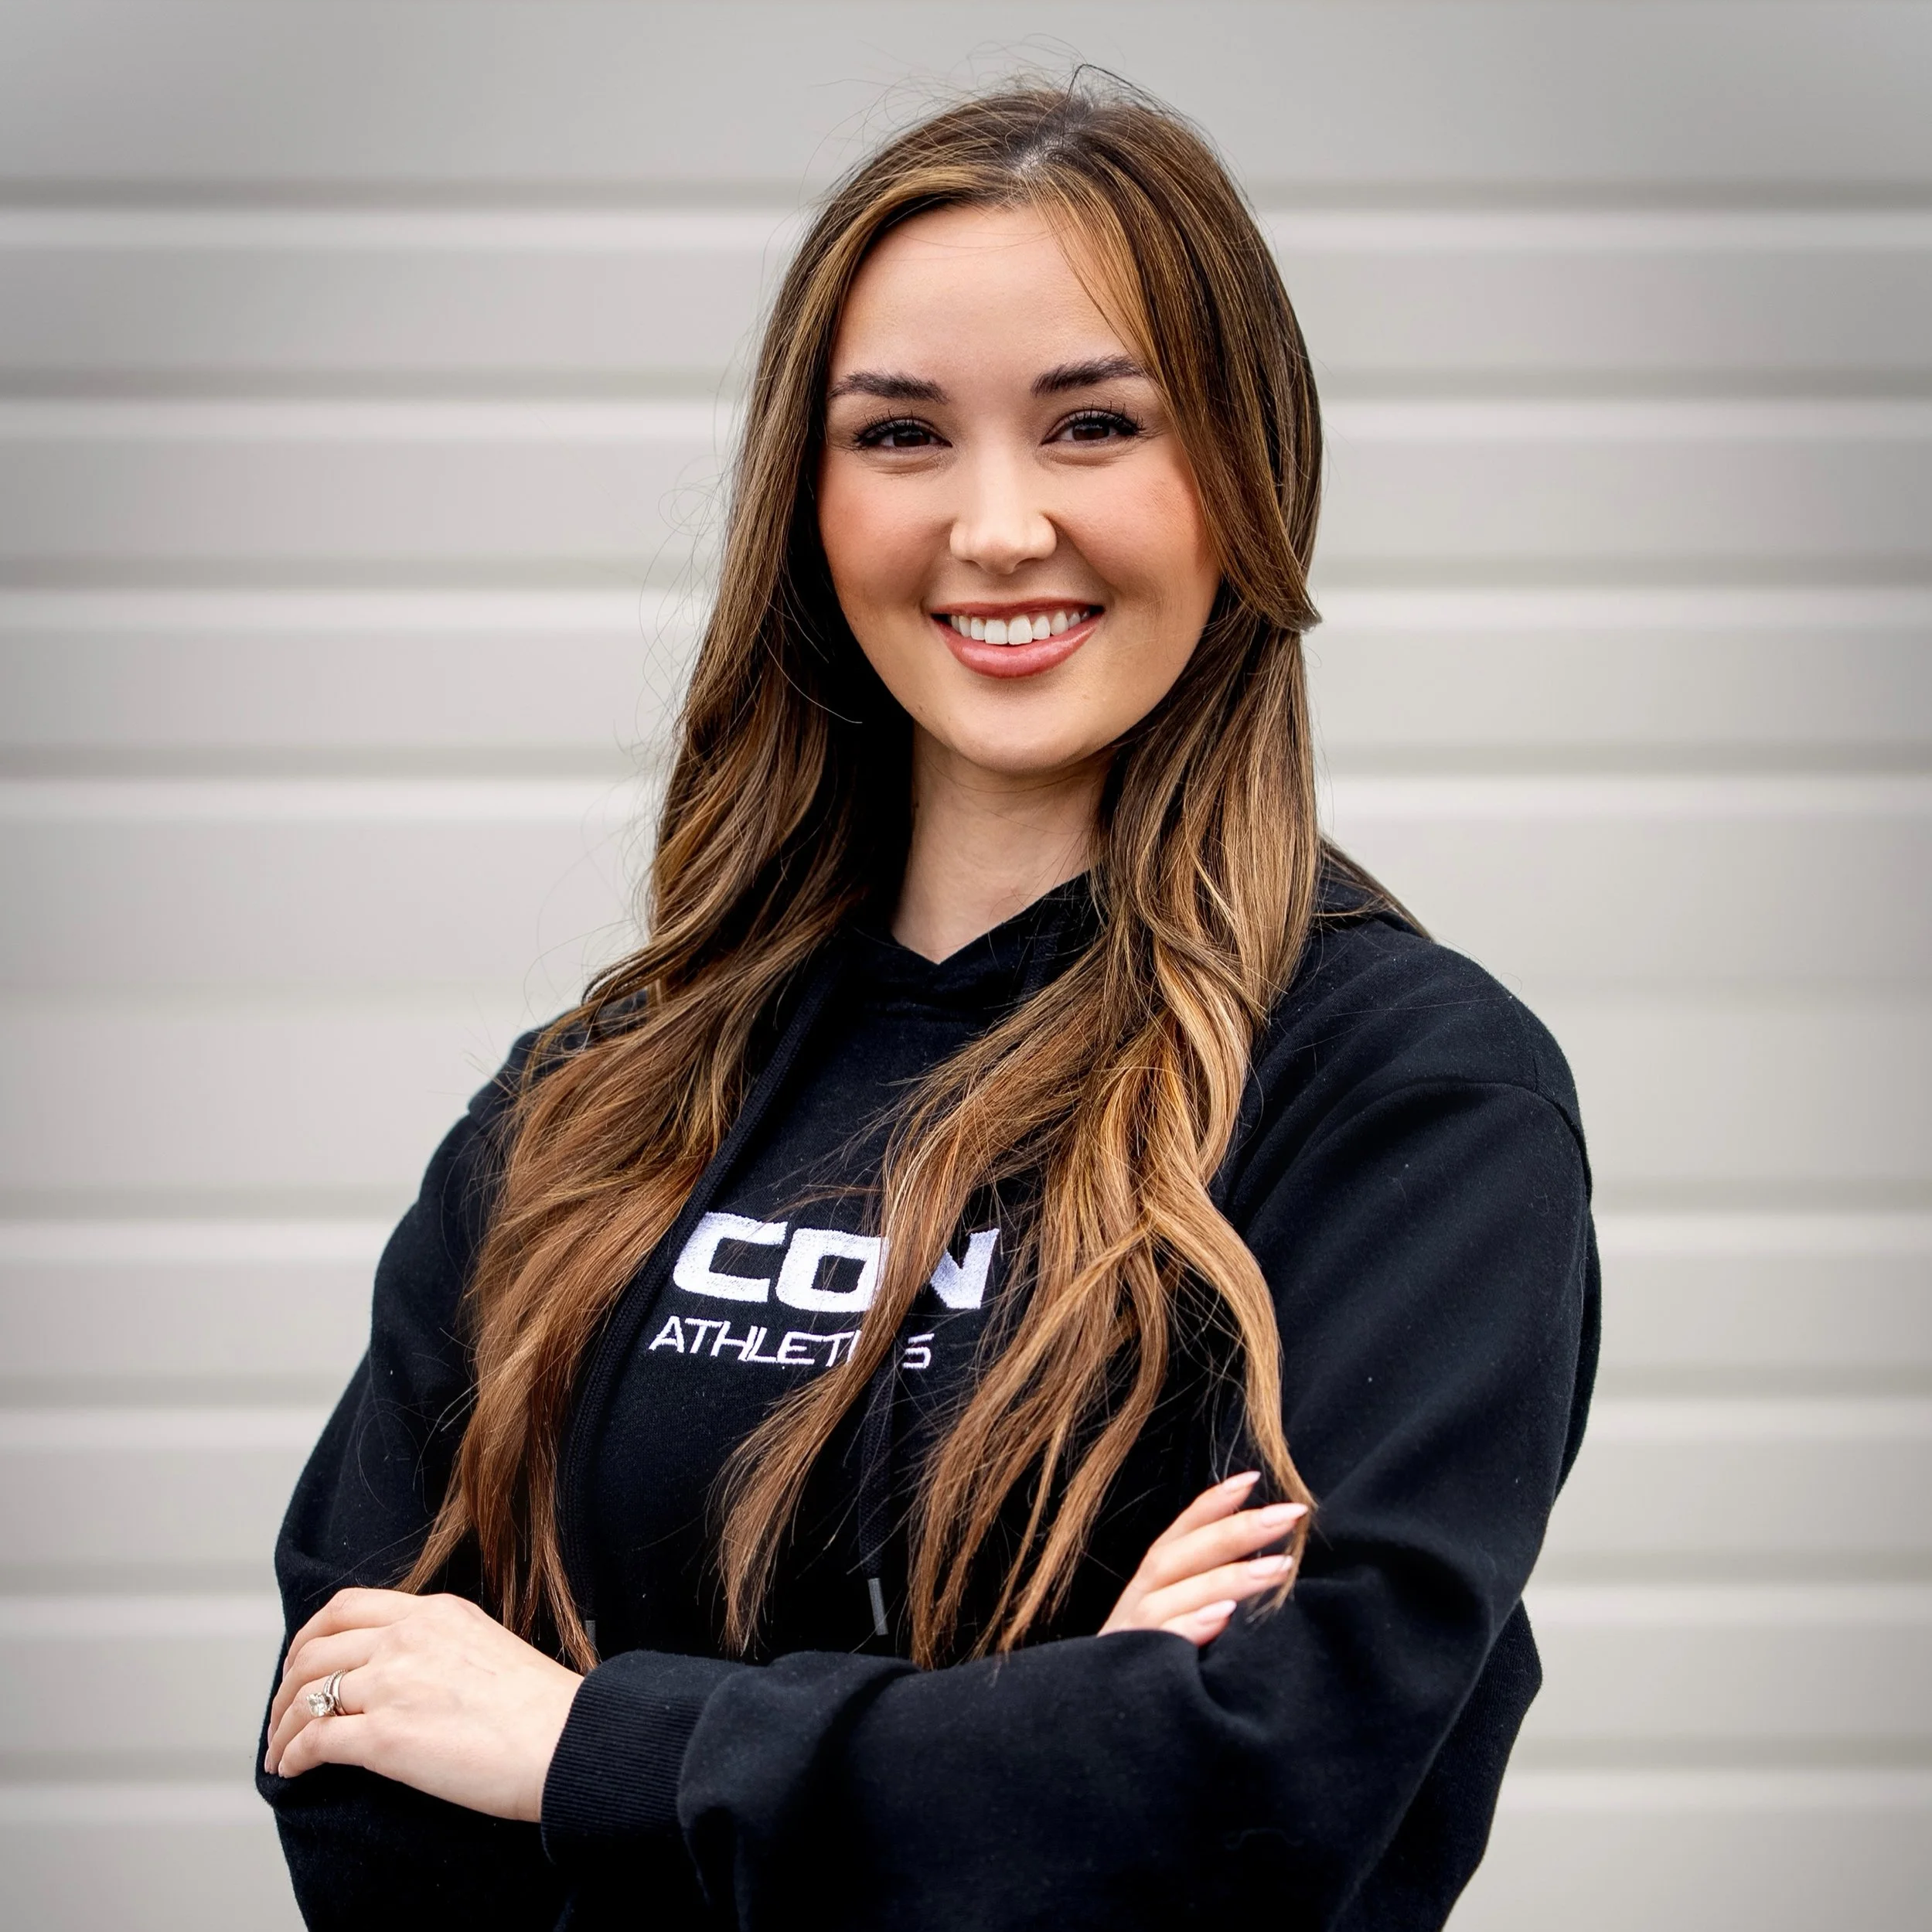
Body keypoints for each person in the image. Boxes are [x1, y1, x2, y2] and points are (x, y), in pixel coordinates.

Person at [257, 77, 1597, 1932]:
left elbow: (1255, 1801)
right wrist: (1032, 1738)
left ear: (1245, 471)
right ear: (808, 501)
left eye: (1093, 424)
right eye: (900, 434)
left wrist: (582, 1747)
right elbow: (359, 1765)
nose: (997, 525)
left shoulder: (1398, 1100)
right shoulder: (592, 1105)